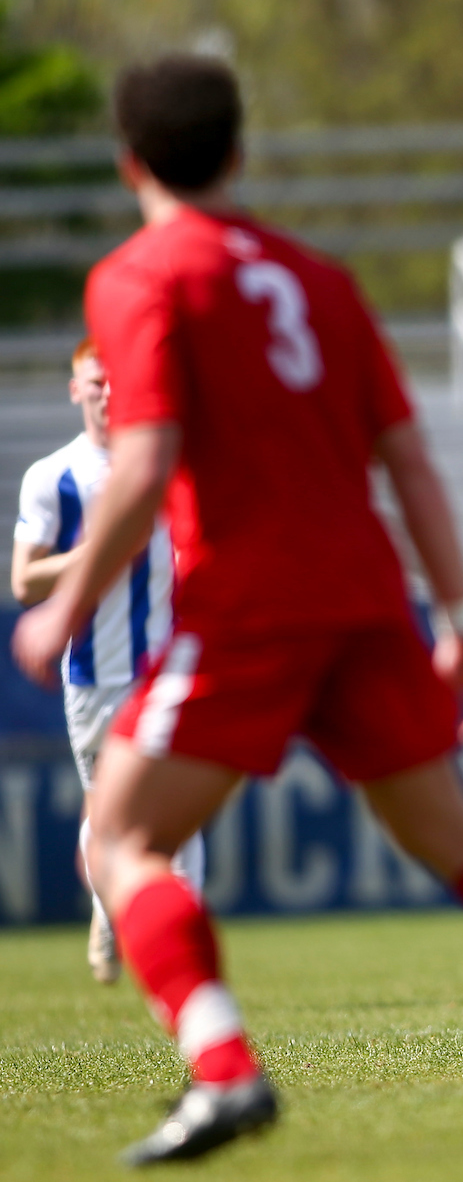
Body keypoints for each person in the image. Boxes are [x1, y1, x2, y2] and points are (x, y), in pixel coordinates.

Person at [12, 55, 463, 1164]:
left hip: (248, 608)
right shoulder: (320, 278)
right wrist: (457, 616)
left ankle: (224, 1074)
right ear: (240, 153)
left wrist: (61, 604)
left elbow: (144, 459)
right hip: (365, 602)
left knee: (117, 840)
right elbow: (405, 459)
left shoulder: (136, 277)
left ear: (128, 163)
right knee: (461, 842)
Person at [11, 337, 204, 984]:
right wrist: (96, 554)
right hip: (92, 677)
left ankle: (187, 945)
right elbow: (24, 583)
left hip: (166, 668)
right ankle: (104, 908)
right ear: (75, 389)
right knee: (107, 816)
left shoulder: (163, 463)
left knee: (179, 810)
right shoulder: (53, 477)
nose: (107, 392)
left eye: (116, 380)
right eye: (95, 381)